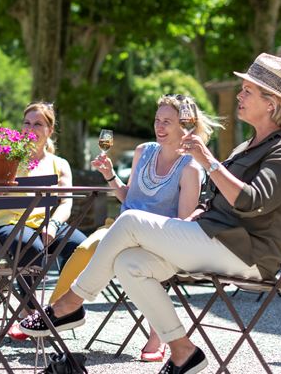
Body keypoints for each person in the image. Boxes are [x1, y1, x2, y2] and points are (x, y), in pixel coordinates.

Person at [19, 53, 281, 374]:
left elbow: (252, 201)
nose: (239, 96)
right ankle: (184, 352)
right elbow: (215, 200)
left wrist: (209, 163)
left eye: (247, 91)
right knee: (128, 262)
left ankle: (69, 304)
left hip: (247, 252)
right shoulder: (248, 146)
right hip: (214, 240)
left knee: (129, 221)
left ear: (271, 103)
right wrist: (188, 223)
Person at [47, 94, 212, 362]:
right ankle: (56, 311)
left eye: (167, 121)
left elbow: (182, 225)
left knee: (133, 261)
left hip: (159, 239)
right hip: (119, 231)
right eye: (157, 120)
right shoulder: (143, 152)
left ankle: (156, 334)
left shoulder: (191, 167)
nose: (159, 126)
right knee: (83, 249)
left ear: (186, 124)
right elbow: (128, 198)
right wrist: (110, 175)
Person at [0, 102, 88, 341]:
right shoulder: (8, 157)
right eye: (26, 123)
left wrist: (53, 225)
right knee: (31, 247)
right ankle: (29, 312)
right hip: (10, 224)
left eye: (38, 124)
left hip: (48, 223)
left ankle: (58, 308)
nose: (30, 128)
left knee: (84, 248)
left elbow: (66, 203)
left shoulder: (60, 164)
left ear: (49, 130)